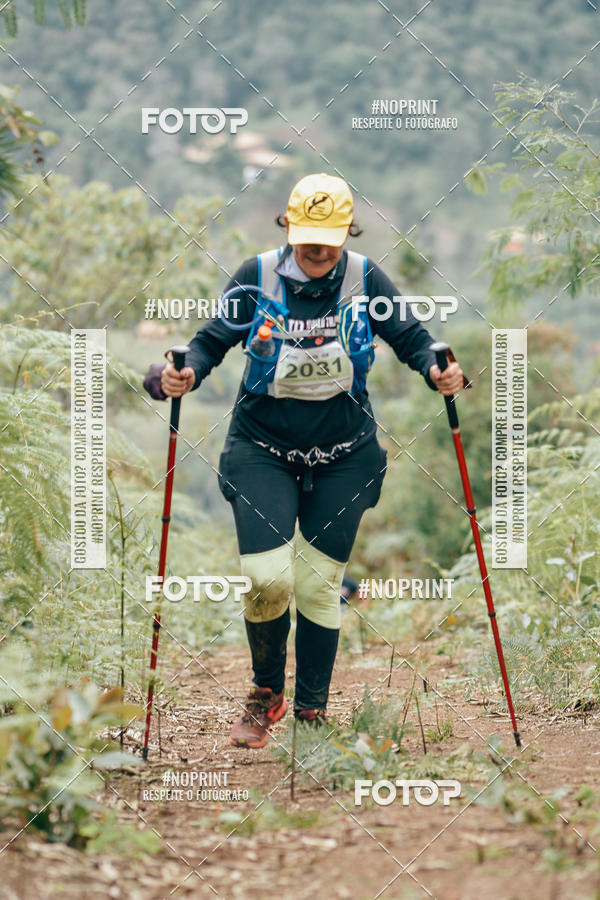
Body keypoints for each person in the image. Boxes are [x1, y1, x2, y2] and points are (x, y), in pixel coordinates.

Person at [144, 172, 463, 749]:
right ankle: (267, 694)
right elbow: (211, 340)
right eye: (307, 234)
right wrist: (176, 372)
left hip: (345, 455)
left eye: (330, 236)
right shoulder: (258, 275)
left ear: (347, 232)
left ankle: (311, 712)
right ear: (289, 226)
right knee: (266, 579)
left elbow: (412, 337)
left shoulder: (366, 278)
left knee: (319, 586)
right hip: (261, 449)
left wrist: (439, 368)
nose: (317, 248)